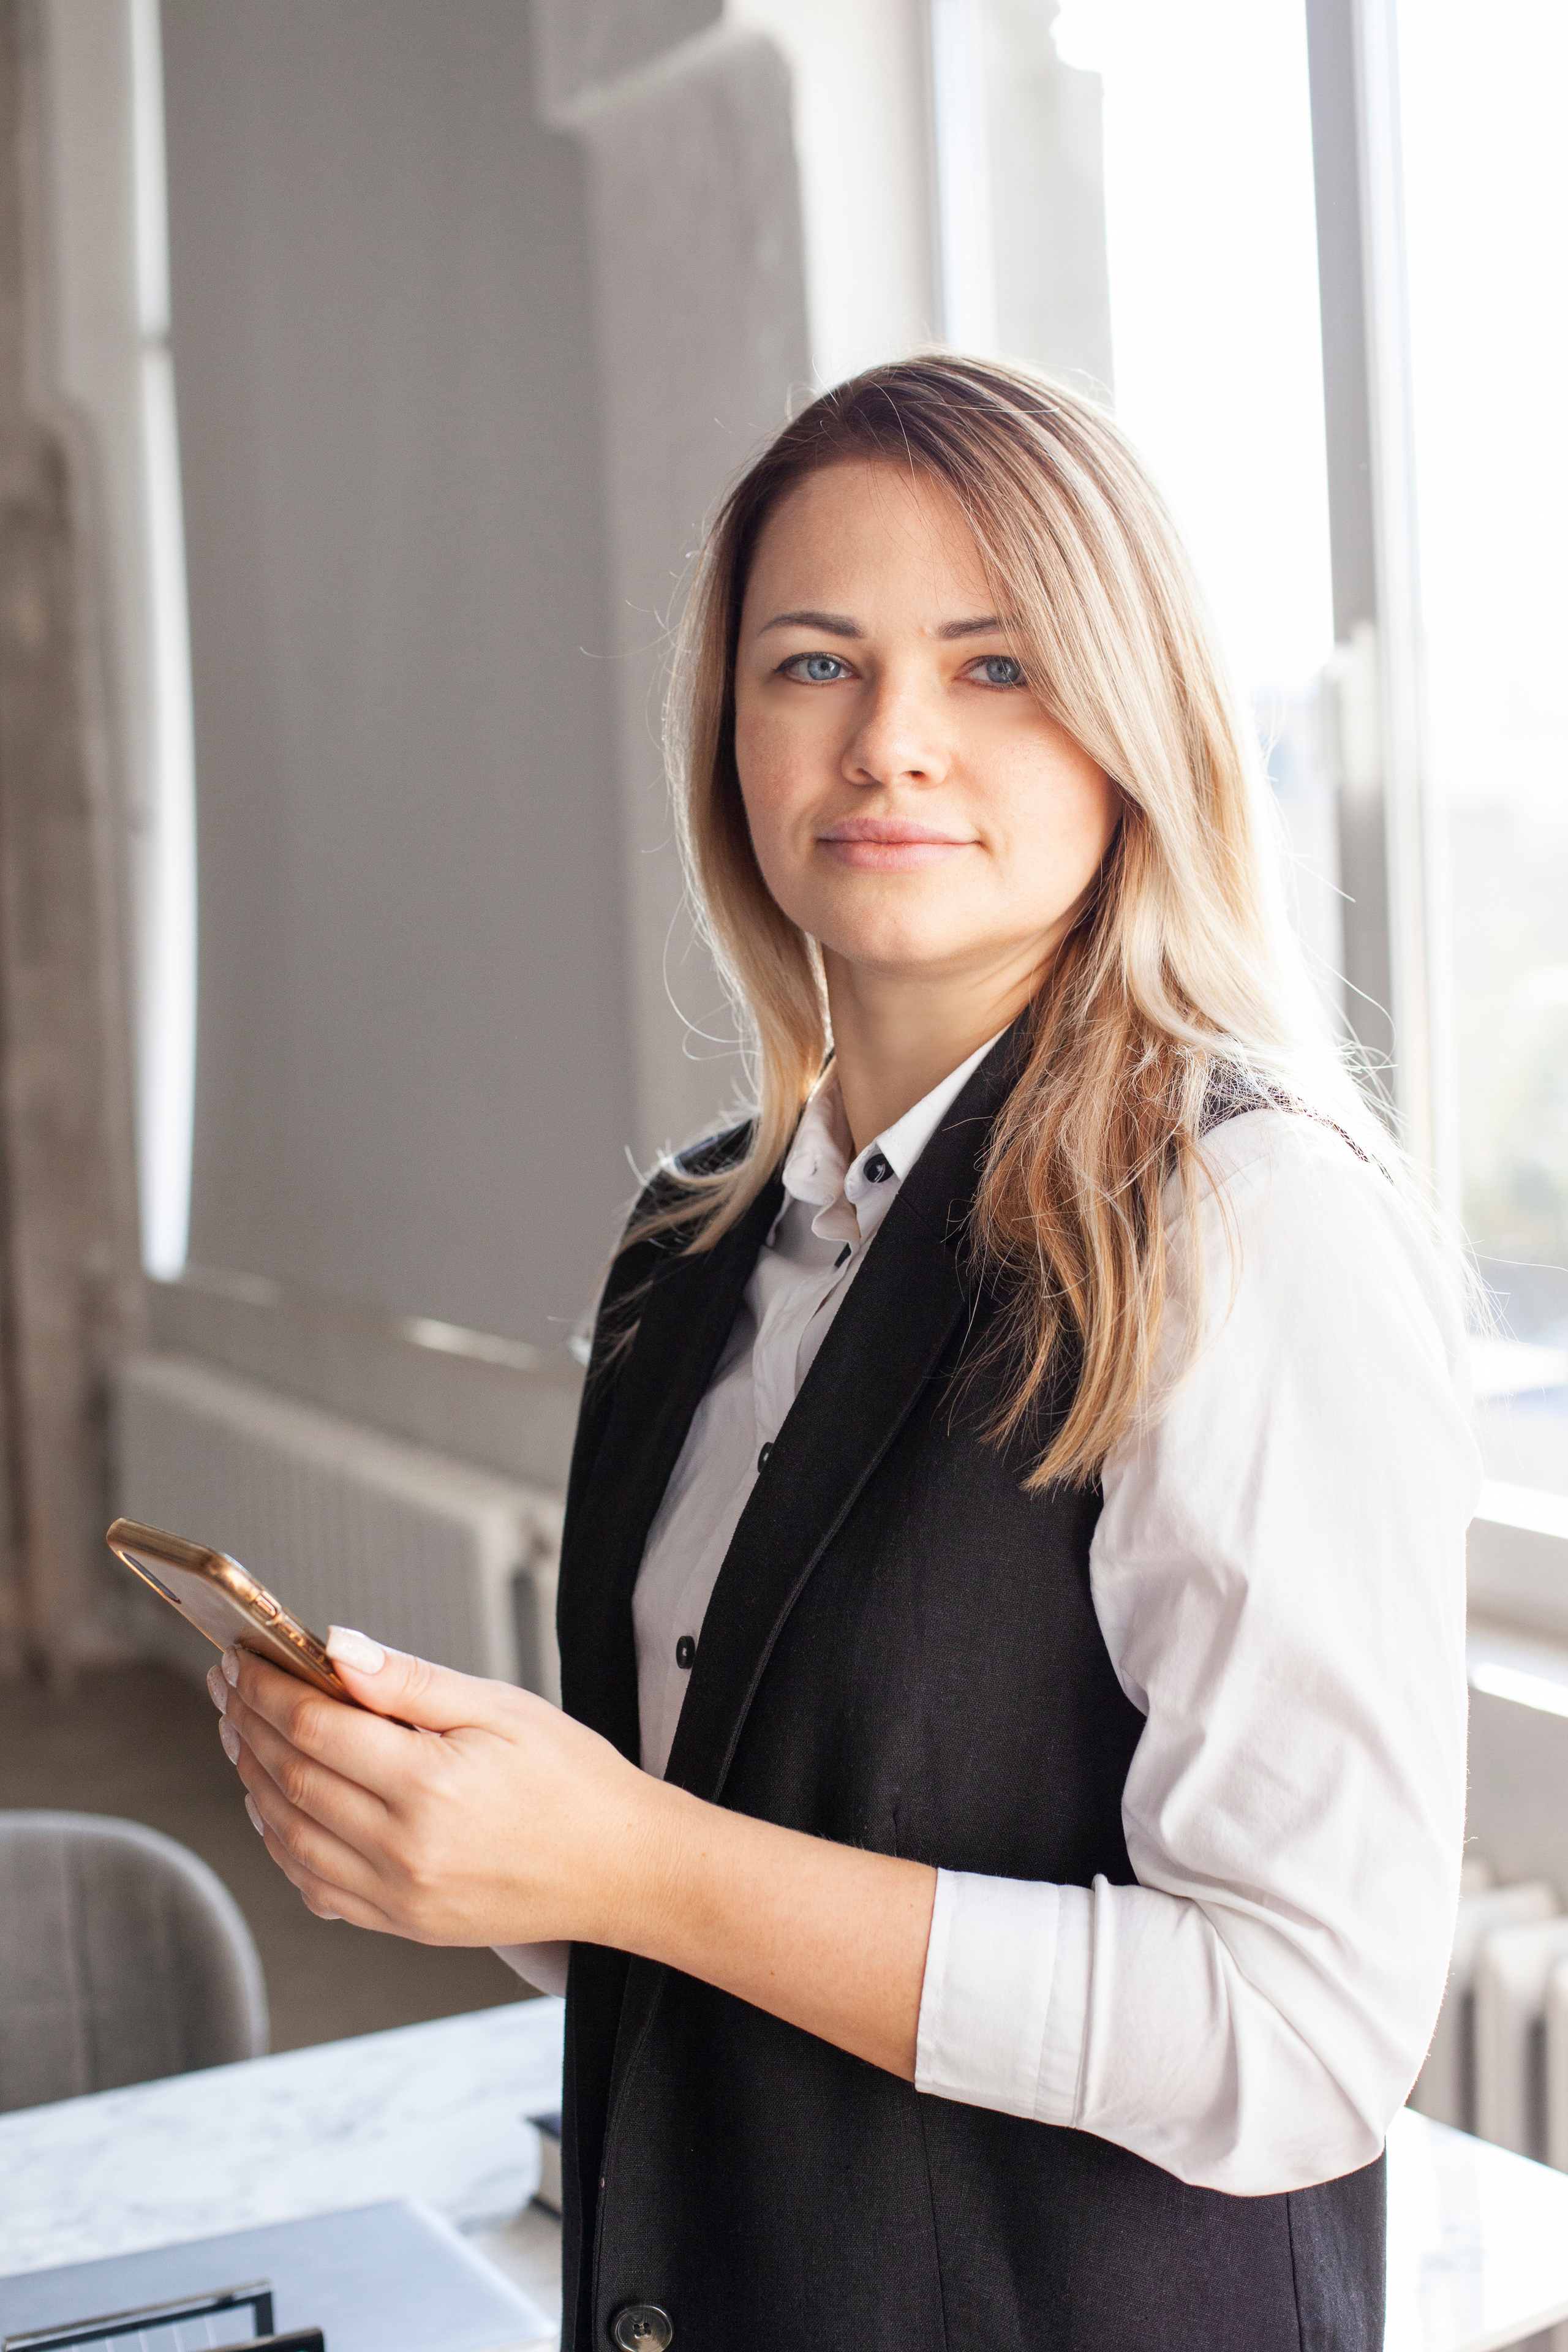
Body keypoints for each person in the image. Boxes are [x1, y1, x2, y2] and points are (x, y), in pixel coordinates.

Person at [207, 357, 1480, 2352]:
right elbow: (714, 1884)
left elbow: (1300, 2032)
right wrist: (485, 1842)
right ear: (727, 732)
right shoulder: (694, 1240)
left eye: (996, 668)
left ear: (1132, 727)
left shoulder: (1244, 1221)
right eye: (814, 664)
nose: (893, 744)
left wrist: (638, 1858)